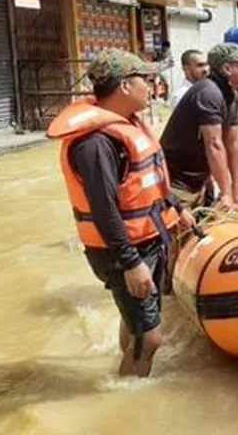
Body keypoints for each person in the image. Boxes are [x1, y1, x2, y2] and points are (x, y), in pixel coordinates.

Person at [47, 50, 193, 377]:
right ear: (125, 86)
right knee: (150, 337)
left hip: (150, 238)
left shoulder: (129, 125)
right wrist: (130, 263)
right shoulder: (96, 143)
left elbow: (146, 183)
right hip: (123, 250)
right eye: (147, 79)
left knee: (137, 325)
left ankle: (124, 372)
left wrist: (177, 206)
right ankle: (128, 399)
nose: (153, 86)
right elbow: (104, 209)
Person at [161, 43, 238, 211]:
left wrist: (236, 190)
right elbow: (214, 144)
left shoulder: (231, 95)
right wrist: (226, 194)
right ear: (227, 68)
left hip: (200, 178)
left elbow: (232, 143)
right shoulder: (207, 93)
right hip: (178, 181)